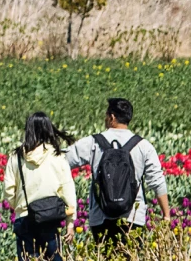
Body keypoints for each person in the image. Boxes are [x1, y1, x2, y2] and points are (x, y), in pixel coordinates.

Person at [62, 97, 170, 246]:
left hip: (100, 217)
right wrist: (166, 214)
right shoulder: (143, 146)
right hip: (132, 217)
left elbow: (63, 161)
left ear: (111, 117)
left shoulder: (93, 143)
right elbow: (157, 181)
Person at [3, 110, 77, 261]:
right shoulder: (57, 157)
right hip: (49, 219)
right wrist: (70, 223)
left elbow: (9, 190)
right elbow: (68, 190)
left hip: (24, 219)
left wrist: (21, 207)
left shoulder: (16, 157)